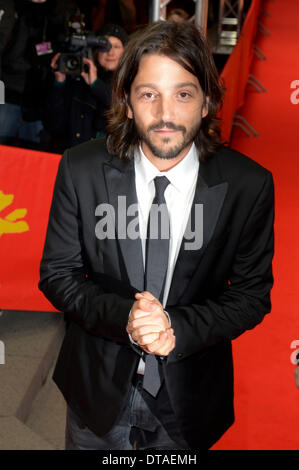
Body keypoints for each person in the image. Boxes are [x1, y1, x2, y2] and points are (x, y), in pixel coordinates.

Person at [39, 20, 275, 450]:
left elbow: (250, 295)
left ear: (206, 102)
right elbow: (59, 274)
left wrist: (175, 328)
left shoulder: (249, 185)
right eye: (149, 94)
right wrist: (125, 320)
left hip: (188, 400)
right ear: (127, 101)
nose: (165, 113)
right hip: (96, 393)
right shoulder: (81, 168)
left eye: (183, 94)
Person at [44, 23, 128, 153]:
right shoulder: (79, 78)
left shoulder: (130, 81)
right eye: (104, 47)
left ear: (125, 51)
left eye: (116, 47)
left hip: (104, 159)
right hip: (72, 155)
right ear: (95, 51)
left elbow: (119, 108)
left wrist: (95, 84)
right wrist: (59, 82)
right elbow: (53, 123)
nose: (110, 52)